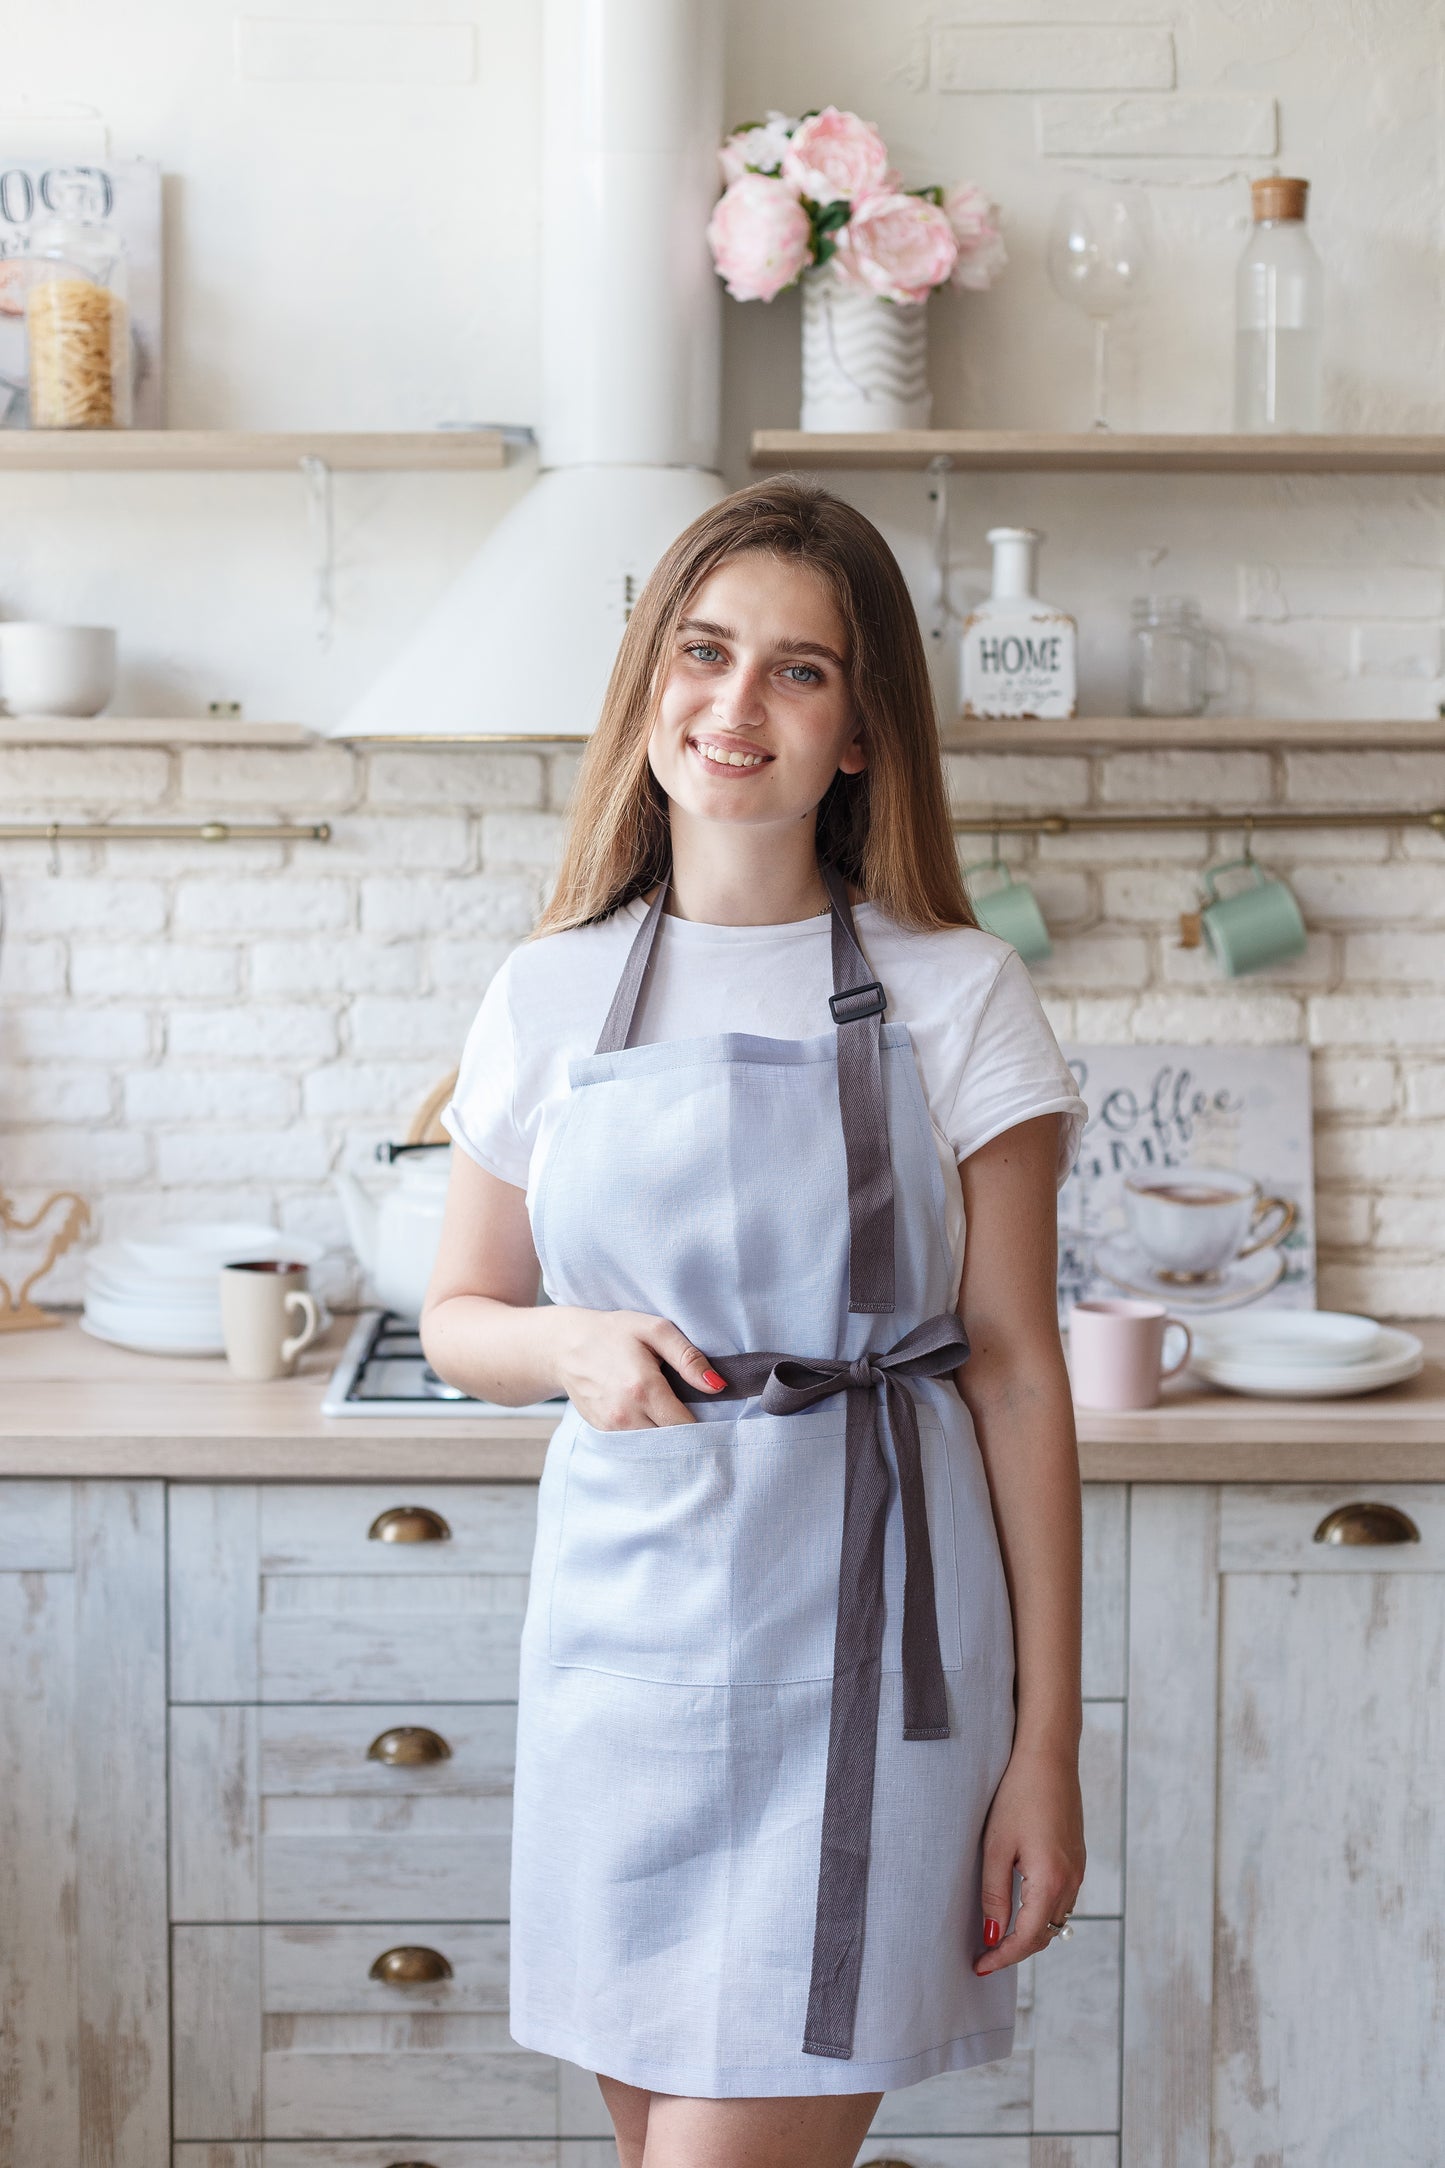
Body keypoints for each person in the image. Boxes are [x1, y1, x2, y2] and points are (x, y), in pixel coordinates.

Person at [421, 479, 1088, 2168]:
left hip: (868, 1671)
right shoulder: (551, 990)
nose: (735, 707)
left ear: (861, 733)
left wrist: (1046, 1753)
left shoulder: (956, 992)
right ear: (651, 678)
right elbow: (457, 1316)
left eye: (799, 671)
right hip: (622, 1669)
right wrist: (568, 1347)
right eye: (705, 653)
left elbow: (1011, 1376)